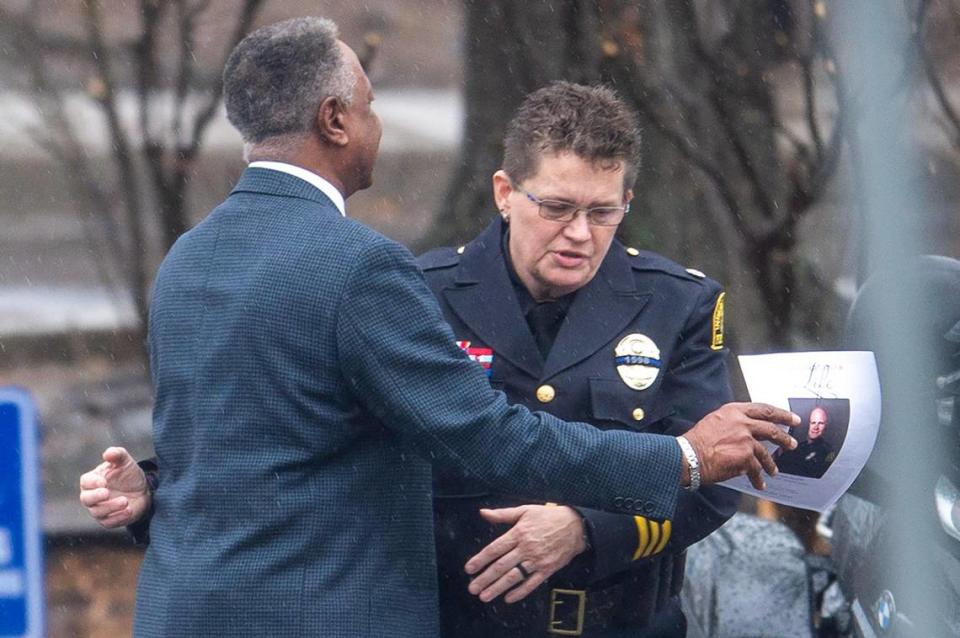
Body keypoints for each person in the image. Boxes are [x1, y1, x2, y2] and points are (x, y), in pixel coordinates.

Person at [78, 17, 798, 638]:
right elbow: (489, 437)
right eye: (368, 104)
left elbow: (252, 437)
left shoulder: (188, 261)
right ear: (335, 120)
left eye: (602, 212)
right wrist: (685, 459)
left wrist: (152, 489)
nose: (377, 123)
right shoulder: (367, 270)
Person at [421, 82, 738, 637]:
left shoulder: (678, 304)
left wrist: (587, 528)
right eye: (557, 207)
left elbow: (712, 478)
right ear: (504, 192)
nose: (579, 234)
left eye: (602, 212)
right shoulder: (425, 296)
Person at [774, 406, 835, 478]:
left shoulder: (829, 452)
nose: (816, 427)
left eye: (821, 423)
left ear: (826, 426)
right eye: (813, 422)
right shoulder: (798, 446)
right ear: (809, 424)